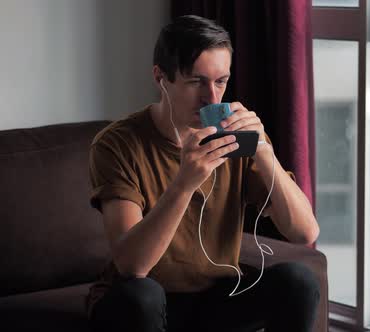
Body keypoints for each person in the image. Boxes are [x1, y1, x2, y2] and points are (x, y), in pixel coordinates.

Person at [87, 14, 320, 332]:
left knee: (299, 281)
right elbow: (132, 265)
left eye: (221, 81)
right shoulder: (117, 144)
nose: (212, 97)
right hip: (139, 299)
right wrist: (184, 184)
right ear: (161, 78)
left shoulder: (235, 140)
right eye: (196, 81)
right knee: (142, 296)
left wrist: (264, 152)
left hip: (215, 297)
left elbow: (305, 233)